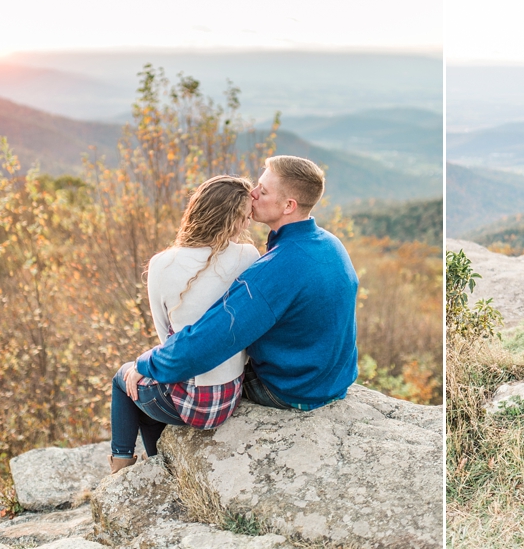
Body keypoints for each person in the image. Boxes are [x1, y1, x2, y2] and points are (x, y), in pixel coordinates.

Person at [132, 155, 358, 422]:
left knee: (150, 385)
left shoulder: (279, 267)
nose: (252, 193)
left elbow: (212, 338)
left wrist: (147, 364)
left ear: (288, 205)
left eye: (262, 191)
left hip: (292, 390)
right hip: (332, 381)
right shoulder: (330, 243)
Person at [110, 175, 260, 473]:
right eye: (243, 218)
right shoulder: (248, 255)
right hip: (229, 396)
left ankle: (122, 466)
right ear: (228, 220)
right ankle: (158, 462)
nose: (246, 226)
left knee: (124, 379)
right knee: (144, 382)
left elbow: (167, 340)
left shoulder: (162, 263)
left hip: (192, 403)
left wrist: (141, 368)